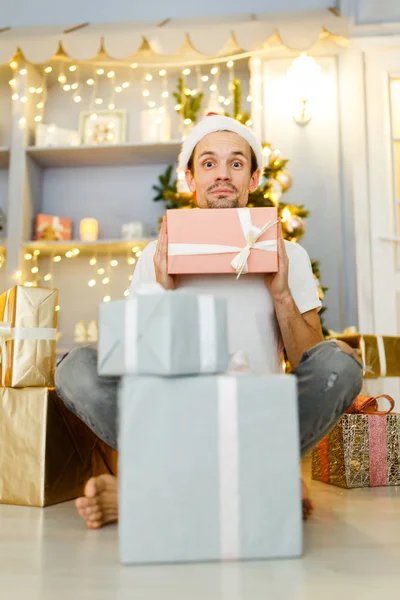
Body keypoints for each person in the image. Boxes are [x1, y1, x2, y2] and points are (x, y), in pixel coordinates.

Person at [55, 114, 363, 529]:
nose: (222, 174)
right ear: (190, 178)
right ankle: (250, 487)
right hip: (176, 418)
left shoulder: (290, 254)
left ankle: (159, 493)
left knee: (341, 361)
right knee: (74, 365)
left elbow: (311, 360)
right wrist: (161, 290)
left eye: (236, 163)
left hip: (258, 418)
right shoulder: (156, 255)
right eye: (208, 163)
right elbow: (132, 363)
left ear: (254, 178)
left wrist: (281, 294)